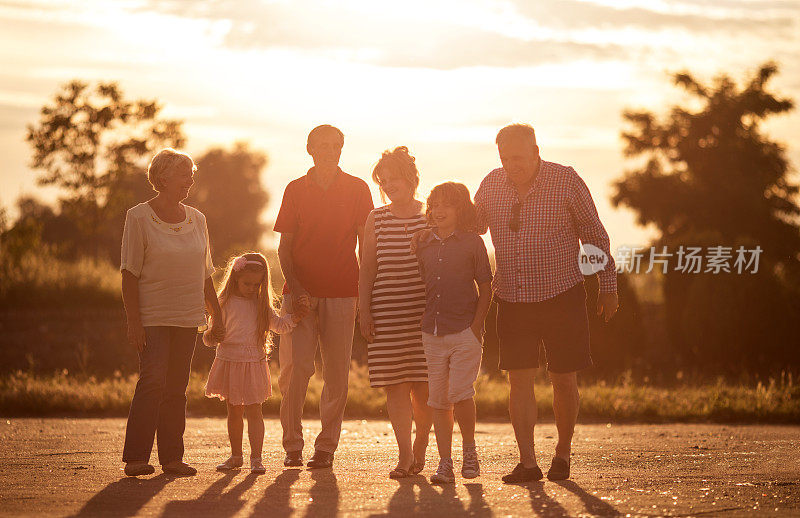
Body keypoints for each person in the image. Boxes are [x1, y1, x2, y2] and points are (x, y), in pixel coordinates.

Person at [474, 123, 619, 483]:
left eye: (518, 158)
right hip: (512, 297)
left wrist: (608, 285)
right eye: (505, 158)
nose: (511, 165)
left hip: (562, 295)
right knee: (518, 381)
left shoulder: (565, 180)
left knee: (563, 379)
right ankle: (527, 462)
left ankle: (563, 454)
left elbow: (594, 233)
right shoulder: (491, 183)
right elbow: (471, 224)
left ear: (536, 151)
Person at [274, 125, 374, 469]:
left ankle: (326, 447)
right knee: (295, 370)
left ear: (342, 149)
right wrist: (297, 288)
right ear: (309, 148)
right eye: (322, 145)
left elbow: (367, 246)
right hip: (299, 294)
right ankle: (292, 446)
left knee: (336, 375)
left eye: (335, 146)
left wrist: (364, 295)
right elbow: (284, 249)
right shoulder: (295, 189)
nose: (329, 151)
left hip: (343, 293)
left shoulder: (358, 189)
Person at [120, 148, 223, 477]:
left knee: (177, 388)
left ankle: (172, 459)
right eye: (184, 174)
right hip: (152, 317)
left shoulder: (198, 219)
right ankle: (136, 458)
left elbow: (205, 273)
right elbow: (128, 273)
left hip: (187, 315)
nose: (190, 179)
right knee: (152, 382)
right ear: (163, 178)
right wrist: (133, 322)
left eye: (191, 173)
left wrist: (216, 316)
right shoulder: (138, 217)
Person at [359, 147, 432, 479]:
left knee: (424, 385)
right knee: (395, 386)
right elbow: (367, 269)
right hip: (385, 310)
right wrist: (364, 311)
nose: (388, 185)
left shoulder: (431, 214)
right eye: (383, 181)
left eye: (393, 178)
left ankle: (421, 445)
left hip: (425, 312)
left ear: (411, 177)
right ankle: (404, 456)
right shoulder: (376, 218)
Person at [204, 253, 310, 473]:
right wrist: (212, 335)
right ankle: (235, 456)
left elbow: (280, 326)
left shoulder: (260, 306)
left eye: (257, 284)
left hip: (253, 362)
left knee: (254, 411)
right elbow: (207, 336)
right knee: (234, 411)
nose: (252, 288)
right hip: (229, 360)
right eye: (247, 284)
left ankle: (256, 458)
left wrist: (296, 317)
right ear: (235, 279)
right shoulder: (223, 303)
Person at [415, 182, 492, 485]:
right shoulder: (423, 242)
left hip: (465, 332)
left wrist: (476, 327)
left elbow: (486, 286)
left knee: (461, 394)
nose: (440, 210)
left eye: (448, 204)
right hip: (432, 332)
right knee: (437, 400)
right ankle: (445, 462)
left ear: (462, 210)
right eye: (435, 204)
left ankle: (470, 452)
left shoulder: (473, 243)